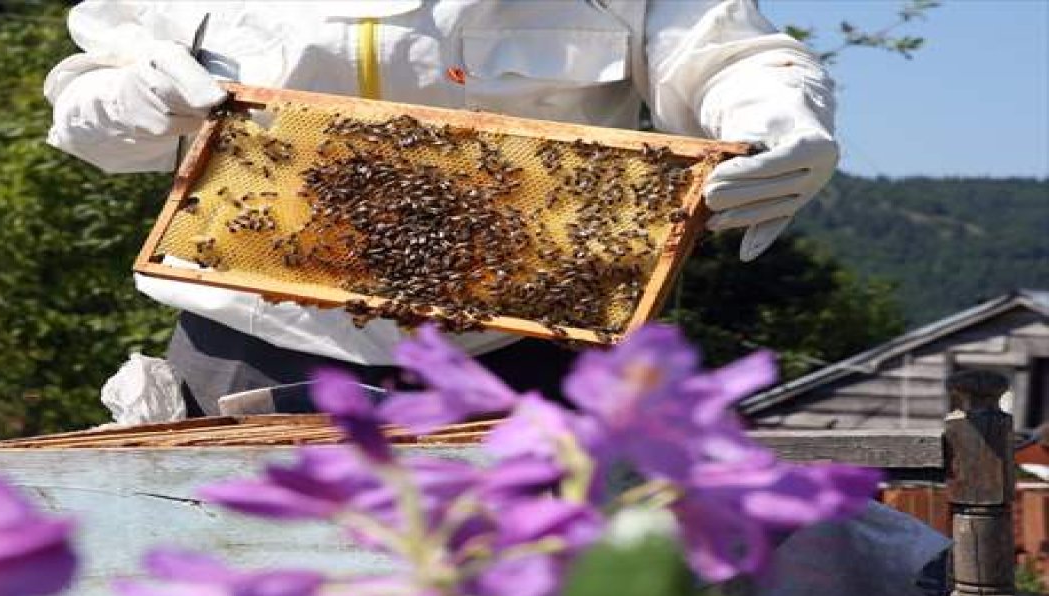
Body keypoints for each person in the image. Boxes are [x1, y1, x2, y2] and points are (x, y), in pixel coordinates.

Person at [44, 0, 839, 416]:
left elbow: (726, 55)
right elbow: (85, 115)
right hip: (252, 348)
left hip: (535, 353)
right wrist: (134, 97)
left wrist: (777, 112)